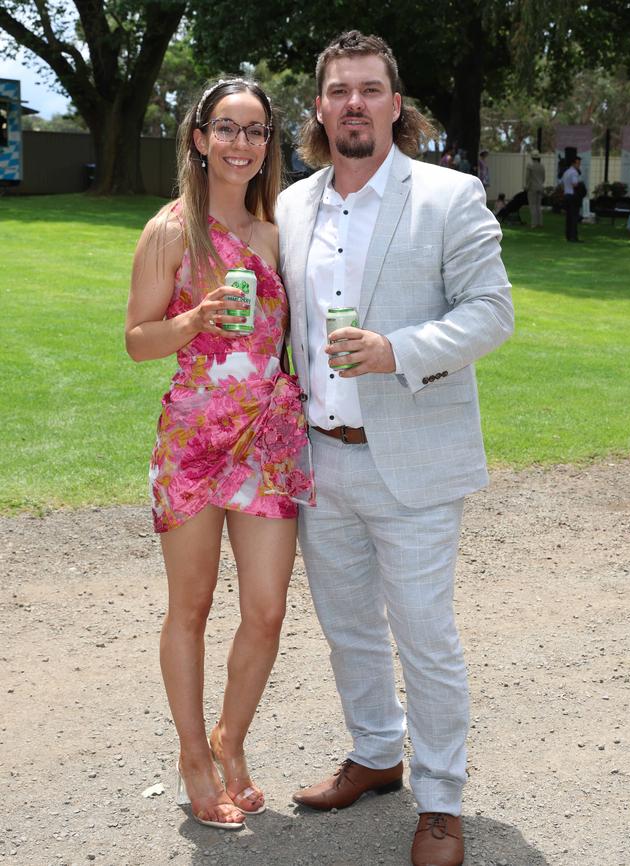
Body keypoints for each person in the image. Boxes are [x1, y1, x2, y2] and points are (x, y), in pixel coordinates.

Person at [275, 30, 513, 866]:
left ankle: (441, 799)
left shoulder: (450, 196)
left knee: (424, 633)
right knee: (347, 628)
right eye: (338, 90)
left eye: (370, 90)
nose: (353, 104)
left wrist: (397, 350)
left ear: (395, 103)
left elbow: (492, 313)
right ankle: (378, 755)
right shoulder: (295, 204)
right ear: (318, 107)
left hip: (412, 457)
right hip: (320, 457)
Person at [125, 78, 313, 830]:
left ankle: (229, 738)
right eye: (228, 129)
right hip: (194, 439)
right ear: (199, 138)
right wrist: (194, 317)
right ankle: (193, 759)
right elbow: (138, 339)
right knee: (192, 605)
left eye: (257, 131)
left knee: (266, 610)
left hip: (266, 439)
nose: (242, 144)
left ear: (269, 144)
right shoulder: (172, 231)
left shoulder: (278, 231)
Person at [561, 155, 582, 242]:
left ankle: (568, 235)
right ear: (573, 163)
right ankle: (573, 236)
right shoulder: (574, 172)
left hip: (566, 195)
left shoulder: (566, 172)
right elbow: (575, 184)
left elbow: (561, 184)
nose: (579, 165)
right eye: (578, 163)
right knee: (574, 217)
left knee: (568, 217)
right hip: (573, 196)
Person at [525, 150, 546, 228]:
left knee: (533, 206)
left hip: (532, 187)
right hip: (540, 187)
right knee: (538, 206)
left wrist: (527, 186)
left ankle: (534, 223)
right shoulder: (542, 166)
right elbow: (544, 178)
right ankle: (540, 223)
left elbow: (528, 178)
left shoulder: (530, 165)